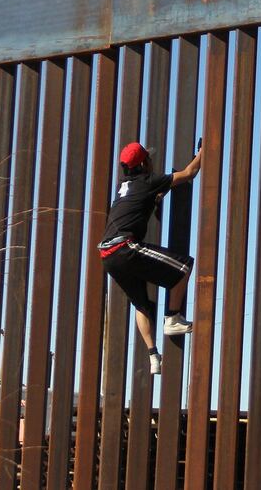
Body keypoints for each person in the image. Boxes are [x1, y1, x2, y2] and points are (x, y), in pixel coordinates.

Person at [98, 140, 203, 374]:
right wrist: (202, 154)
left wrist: (156, 196)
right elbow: (189, 173)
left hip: (107, 254)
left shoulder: (122, 187)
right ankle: (172, 318)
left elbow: (140, 201)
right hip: (124, 248)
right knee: (184, 266)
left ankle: (153, 356)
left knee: (141, 303)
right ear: (145, 162)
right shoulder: (148, 181)